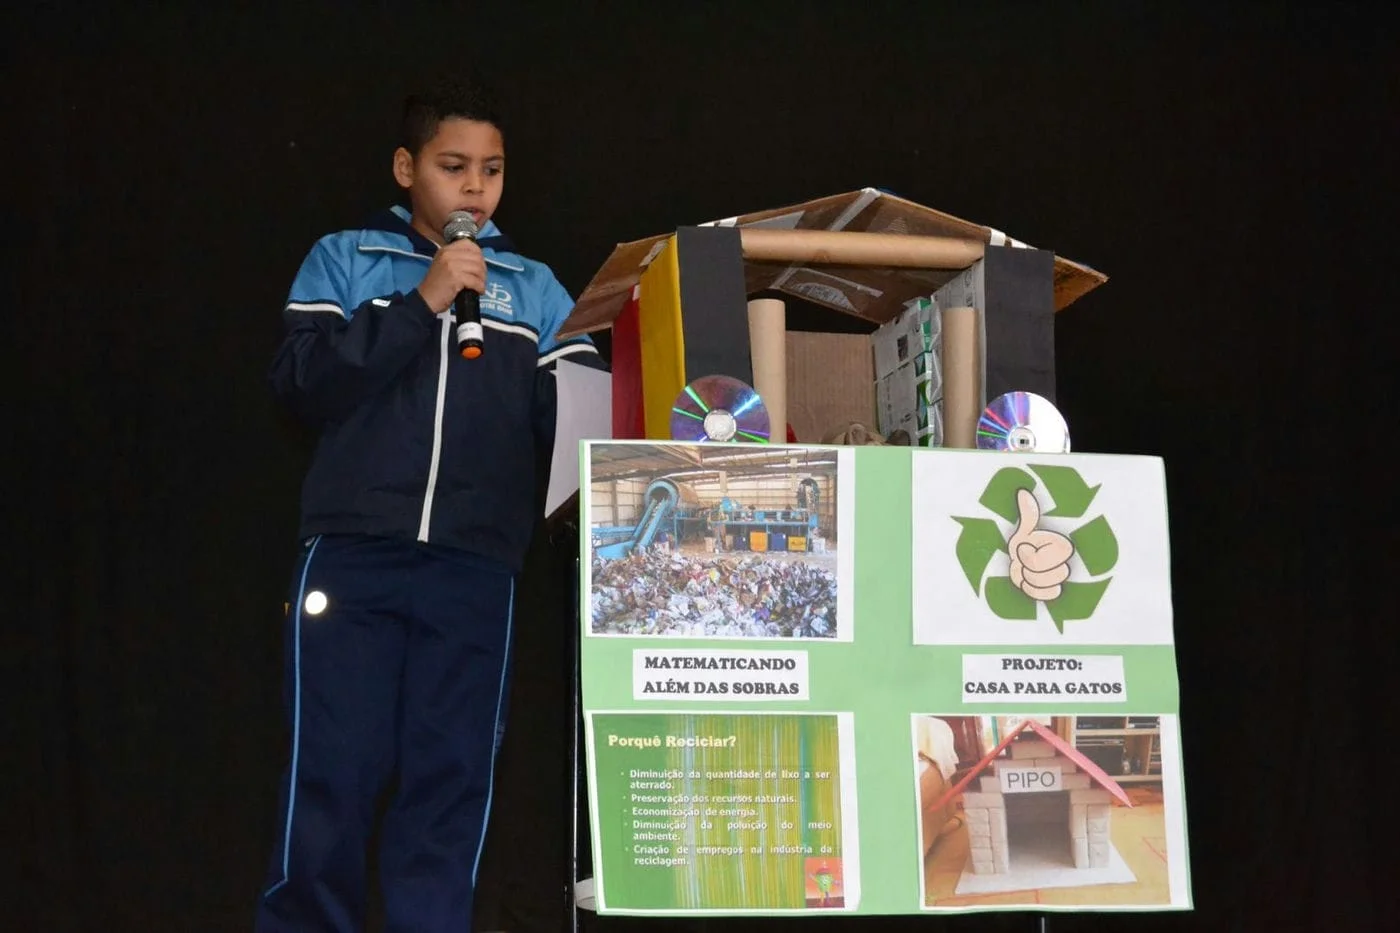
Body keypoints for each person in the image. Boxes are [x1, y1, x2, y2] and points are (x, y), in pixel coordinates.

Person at [255, 72, 603, 933]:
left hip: (475, 568)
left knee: (449, 783)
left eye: (492, 169)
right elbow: (302, 382)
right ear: (408, 167)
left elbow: (582, 417)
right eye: (454, 166)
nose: (475, 188)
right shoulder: (346, 258)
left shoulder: (537, 287)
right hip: (353, 557)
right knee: (331, 774)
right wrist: (425, 303)